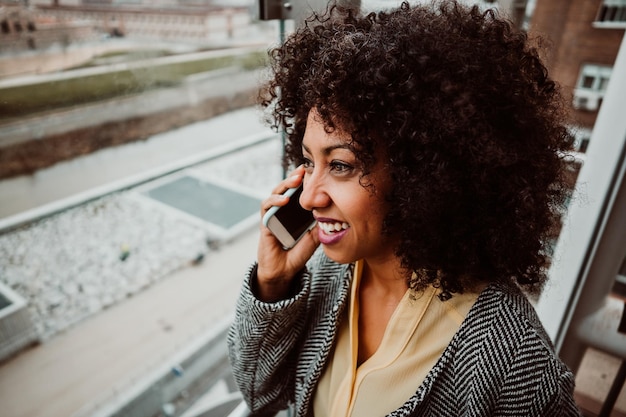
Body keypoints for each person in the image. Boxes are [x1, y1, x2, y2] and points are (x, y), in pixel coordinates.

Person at [227, 1, 583, 416]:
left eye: (341, 165)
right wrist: (272, 287)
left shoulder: (513, 357)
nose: (308, 197)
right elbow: (260, 396)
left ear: (422, 172)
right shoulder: (325, 272)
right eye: (308, 162)